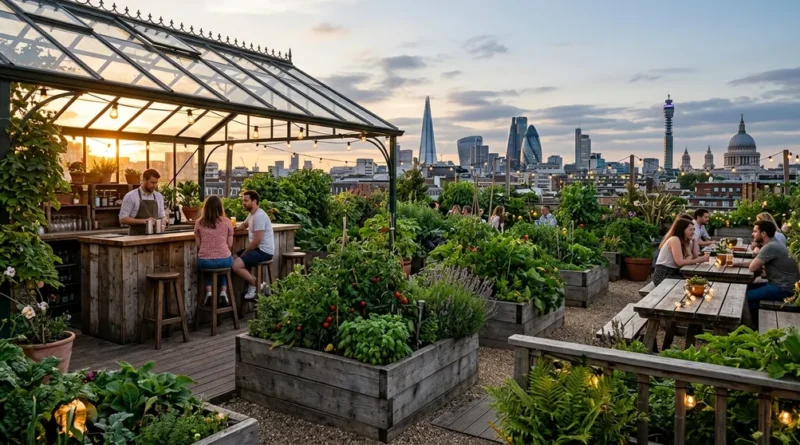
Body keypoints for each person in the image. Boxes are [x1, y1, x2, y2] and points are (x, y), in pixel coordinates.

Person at [736, 220, 800, 316]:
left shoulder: (770, 247)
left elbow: (752, 267)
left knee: (743, 296)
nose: (752, 234)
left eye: (755, 231)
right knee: (743, 288)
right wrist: (736, 264)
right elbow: (756, 263)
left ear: (763, 234)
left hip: (783, 288)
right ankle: (752, 319)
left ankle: (749, 325)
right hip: (781, 285)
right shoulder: (774, 243)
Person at [232, 191, 274, 300]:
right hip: (258, 249)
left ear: (254, 201)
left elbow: (257, 241)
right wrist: (234, 229)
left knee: (236, 265)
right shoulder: (252, 214)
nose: (243, 203)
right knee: (233, 258)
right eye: (243, 201)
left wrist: (245, 253)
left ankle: (254, 285)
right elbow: (245, 224)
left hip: (264, 251)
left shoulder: (259, 216)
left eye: (246, 201)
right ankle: (262, 284)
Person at [194, 196, 234, 306]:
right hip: (224, 260)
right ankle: (223, 292)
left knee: (209, 267)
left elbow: (199, 245)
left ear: (205, 208)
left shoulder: (198, 222)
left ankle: (209, 293)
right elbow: (230, 245)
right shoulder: (227, 222)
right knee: (223, 265)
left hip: (204, 262)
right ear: (220, 208)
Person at [652, 217, 710, 285]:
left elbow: (695, 255)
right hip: (663, 275)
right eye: (690, 230)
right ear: (682, 230)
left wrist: (695, 240)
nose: (693, 232)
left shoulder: (685, 241)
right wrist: (698, 260)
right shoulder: (674, 239)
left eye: (694, 230)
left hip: (674, 273)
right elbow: (680, 262)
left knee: (699, 282)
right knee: (695, 284)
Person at [119, 169, 167, 235]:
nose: (154, 186)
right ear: (144, 180)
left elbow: (162, 216)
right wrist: (145, 221)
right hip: (135, 239)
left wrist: (163, 224)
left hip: (155, 238)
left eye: (156, 183)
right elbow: (123, 219)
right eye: (152, 182)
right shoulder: (131, 196)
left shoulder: (158, 196)